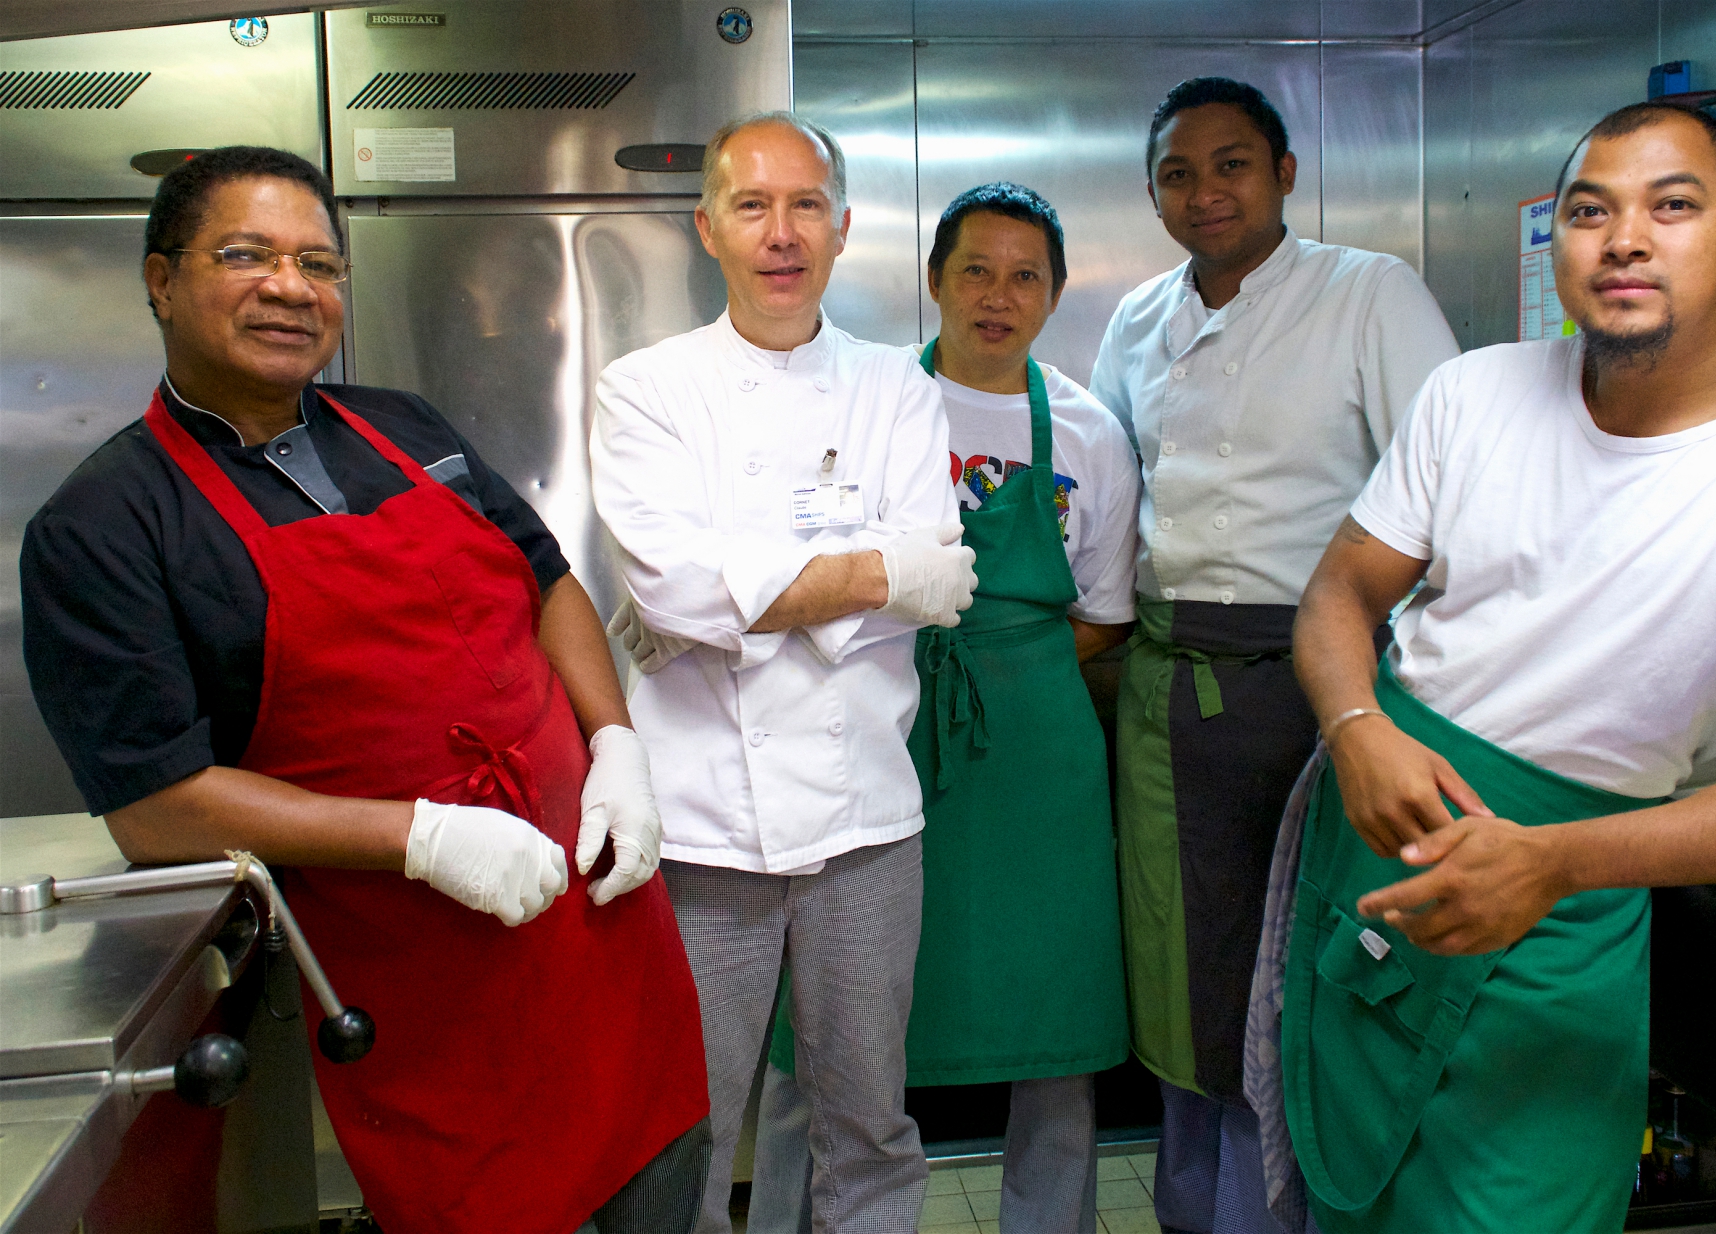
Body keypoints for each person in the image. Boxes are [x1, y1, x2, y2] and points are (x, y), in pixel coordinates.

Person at [1275, 102, 1716, 1233]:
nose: (1624, 239)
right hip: (1376, 852)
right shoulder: (1475, 394)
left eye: (1671, 206)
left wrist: (1548, 861)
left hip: (1562, 914)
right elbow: (1339, 596)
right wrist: (1356, 726)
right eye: (1589, 212)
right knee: (1346, 1190)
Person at [18, 146, 709, 1234]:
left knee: (668, 1187)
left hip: (607, 944)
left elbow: (548, 583)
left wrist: (614, 742)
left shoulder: (406, 427)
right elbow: (157, 808)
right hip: (426, 984)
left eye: (318, 262)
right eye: (247, 255)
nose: (291, 286)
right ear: (160, 279)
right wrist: (425, 838)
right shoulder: (103, 526)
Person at [1088, 77, 1460, 1233]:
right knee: (1182, 970)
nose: (1205, 193)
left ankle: (1296, 1211)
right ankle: (1200, 1210)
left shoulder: (1368, 295)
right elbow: (1103, 495)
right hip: (1164, 692)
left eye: (1231, 163)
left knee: (1299, 968)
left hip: (1322, 692)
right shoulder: (1136, 320)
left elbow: (1451, 493)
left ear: (1285, 173)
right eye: (1177, 173)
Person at [592, 112, 975, 1234]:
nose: (780, 231)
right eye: (751, 205)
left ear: (844, 227)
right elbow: (668, 590)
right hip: (702, 826)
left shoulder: (897, 388)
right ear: (706, 227)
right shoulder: (646, 388)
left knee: (870, 1124)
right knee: (686, 1130)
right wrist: (872, 574)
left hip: (863, 818)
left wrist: (735, 597)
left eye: (804, 204)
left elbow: (936, 567)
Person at [750, 182, 1142, 1234]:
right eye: (974, 269)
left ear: (1055, 295)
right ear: (932, 279)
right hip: (876, 727)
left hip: (1036, 763)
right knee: (824, 1019)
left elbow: (1104, 612)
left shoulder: (1092, 433)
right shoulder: (865, 404)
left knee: (1053, 1021)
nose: (996, 296)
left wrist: (999, 671)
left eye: (1025, 276)